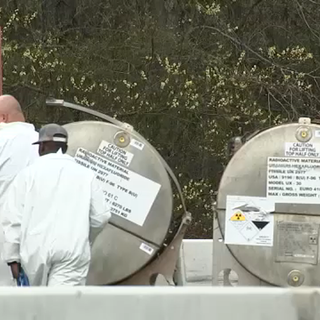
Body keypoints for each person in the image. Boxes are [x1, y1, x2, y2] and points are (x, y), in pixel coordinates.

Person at [2, 123, 111, 286]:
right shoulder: (87, 175)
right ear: (65, 147)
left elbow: (13, 219)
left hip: (34, 251)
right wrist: (85, 239)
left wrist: (12, 258)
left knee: (37, 306)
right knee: (62, 307)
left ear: (42, 146)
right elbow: (101, 217)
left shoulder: (27, 176)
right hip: (72, 252)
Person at [0, 95, 39, 286]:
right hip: (40, 236)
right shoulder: (44, 142)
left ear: (3, 118)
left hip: (4, 235)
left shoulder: (2, 139)